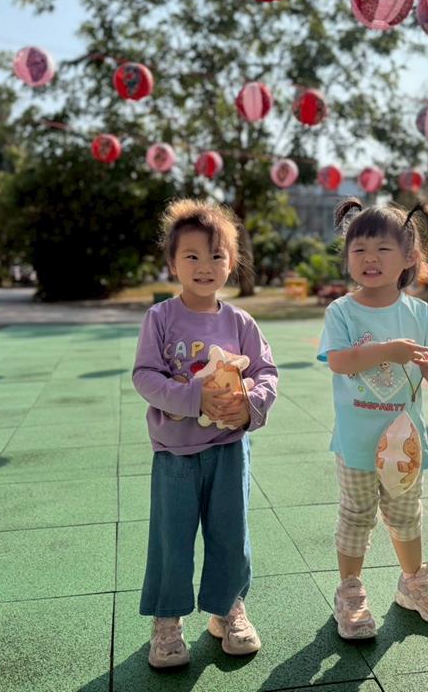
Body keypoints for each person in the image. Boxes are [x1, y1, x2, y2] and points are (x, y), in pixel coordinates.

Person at [132, 198, 278, 668]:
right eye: (191, 255)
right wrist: (194, 398)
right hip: (175, 452)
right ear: (172, 263)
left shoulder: (240, 322)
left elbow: (266, 372)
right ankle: (168, 620)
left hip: (229, 449)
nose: (204, 266)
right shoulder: (160, 318)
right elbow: (145, 377)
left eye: (216, 255)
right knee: (172, 538)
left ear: (231, 263)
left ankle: (227, 608)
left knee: (230, 533)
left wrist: (249, 402)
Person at [317, 197, 428, 640]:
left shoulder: (418, 313)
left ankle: (413, 582)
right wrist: (387, 351)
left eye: (382, 249)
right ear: (347, 257)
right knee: (356, 514)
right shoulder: (342, 311)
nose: (369, 258)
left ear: (409, 257)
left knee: (406, 514)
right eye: (359, 249)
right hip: (357, 443)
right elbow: (339, 361)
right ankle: (350, 592)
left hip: (404, 446)